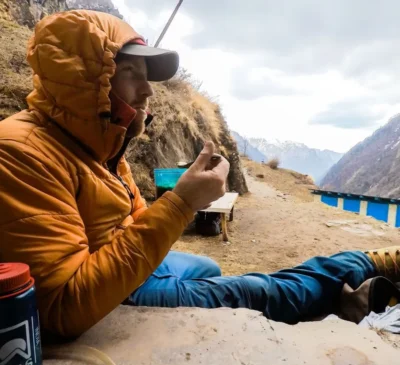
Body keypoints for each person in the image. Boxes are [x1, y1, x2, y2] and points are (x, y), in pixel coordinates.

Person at [0, 10, 398, 338]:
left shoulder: (95, 141)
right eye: (132, 74)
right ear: (87, 79)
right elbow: (59, 308)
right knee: (257, 290)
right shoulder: (19, 153)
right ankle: (366, 269)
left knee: (208, 269)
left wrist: (182, 196)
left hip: (124, 266)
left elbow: (132, 222)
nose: (148, 92)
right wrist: (182, 202)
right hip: (109, 298)